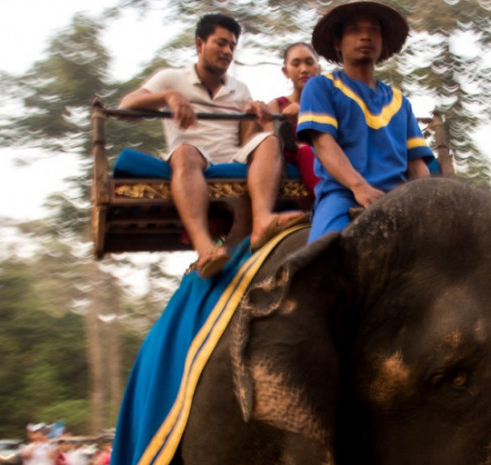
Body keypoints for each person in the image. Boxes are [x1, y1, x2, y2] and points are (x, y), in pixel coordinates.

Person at [118, 13, 304, 278]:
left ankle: (263, 219)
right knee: (186, 152)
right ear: (199, 44)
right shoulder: (172, 79)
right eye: (220, 43)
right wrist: (169, 97)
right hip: (191, 154)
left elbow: (249, 142)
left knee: (270, 140)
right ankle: (205, 248)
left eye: (232, 46)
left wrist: (256, 115)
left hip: (231, 156)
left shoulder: (240, 89)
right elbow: (126, 107)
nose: (227, 51)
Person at [297, 1, 435, 243]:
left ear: (382, 43)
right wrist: (359, 186)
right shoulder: (321, 87)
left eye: (373, 30)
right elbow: (324, 144)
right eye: (354, 30)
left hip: (399, 197)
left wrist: (430, 202)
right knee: (321, 260)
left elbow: (416, 165)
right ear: (338, 43)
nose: (365, 36)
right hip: (343, 194)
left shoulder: (399, 101)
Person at [268, 42, 321, 193]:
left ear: (319, 68)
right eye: (296, 64)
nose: (304, 69)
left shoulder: (328, 104)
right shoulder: (277, 105)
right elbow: (270, 142)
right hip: (294, 153)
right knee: (305, 151)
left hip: (325, 151)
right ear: (286, 71)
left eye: (309, 63)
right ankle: (323, 198)